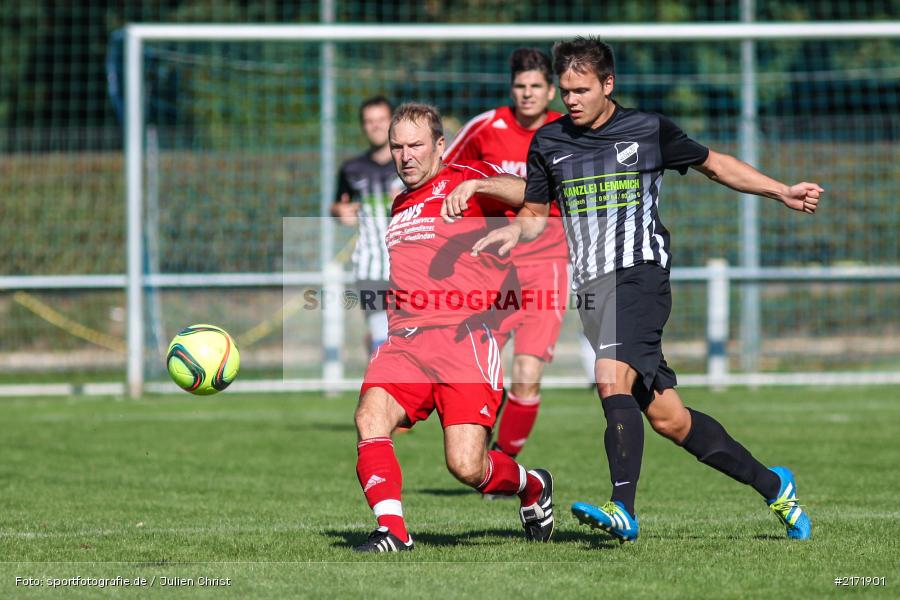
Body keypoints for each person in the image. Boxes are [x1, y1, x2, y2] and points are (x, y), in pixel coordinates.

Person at [466, 37, 821, 543]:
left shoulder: (647, 129)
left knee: (608, 375)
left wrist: (781, 190)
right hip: (591, 290)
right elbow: (535, 215)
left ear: (608, 85)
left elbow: (715, 164)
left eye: (581, 90)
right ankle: (775, 485)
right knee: (670, 419)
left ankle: (623, 509)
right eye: (565, 90)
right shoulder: (548, 142)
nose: (570, 99)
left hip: (640, 276)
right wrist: (511, 230)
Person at [352, 103, 554, 553]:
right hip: (405, 341)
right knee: (370, 417)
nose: (406, 156)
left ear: (439, 145)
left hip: (464, 339)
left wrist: (481, 184)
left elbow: (533, 191)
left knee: (467, 467)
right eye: (397, 147)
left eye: (416, 146)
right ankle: (393, 531)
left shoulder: (469, 176)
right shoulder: (400, 202)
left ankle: (533, 486)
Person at [443, 48, 571, 463]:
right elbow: (444, 171)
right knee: (482, 371)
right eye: (521, 86)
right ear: (511, 88)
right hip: (491, 270)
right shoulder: (486, 126)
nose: (528, 94)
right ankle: (477, 452)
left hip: (547, 265)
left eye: (536, 86)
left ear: (551, 90)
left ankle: (502, 463)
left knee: (527, 374)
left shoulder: (567, 130)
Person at [332, 96, 402, 356]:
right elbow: (338, 206)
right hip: (370, 264)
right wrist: (339, 212)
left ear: (393, 122)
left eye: (381, 120)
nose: (375, 126)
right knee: (382, 337)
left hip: (409, 262)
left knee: (408, 336)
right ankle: (381, 388)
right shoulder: (352, 169)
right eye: (369, 122)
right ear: (363, 126)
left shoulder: (409, 163)